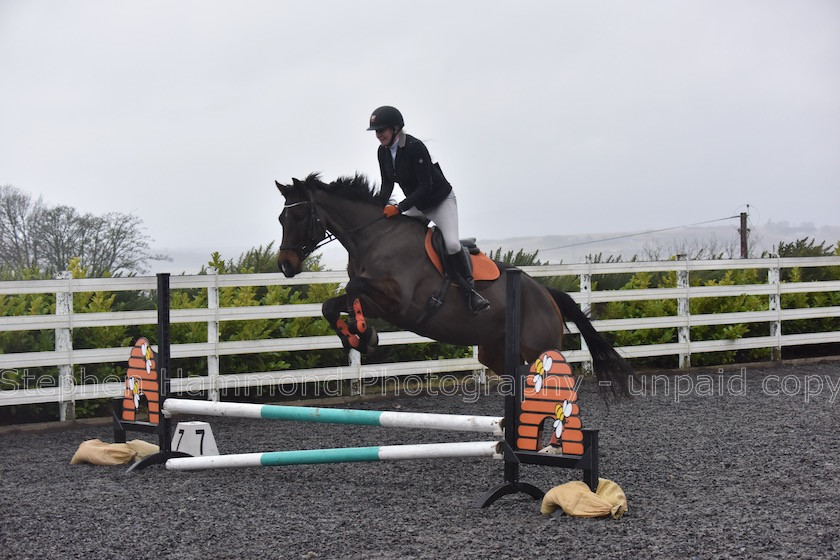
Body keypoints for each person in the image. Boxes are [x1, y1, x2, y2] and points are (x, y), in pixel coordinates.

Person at [367, 105, 490, 315]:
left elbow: (427, 187)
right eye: (376, 132)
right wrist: (376, 208)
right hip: (418, 205)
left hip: (440, 201)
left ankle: (471, 293)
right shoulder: (383, 152)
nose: (379, 135)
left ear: (396, 128)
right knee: (397, 234)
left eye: (382, 130)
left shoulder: (415, 147)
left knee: (451, 244)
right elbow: (387, 185)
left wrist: (399, 208)